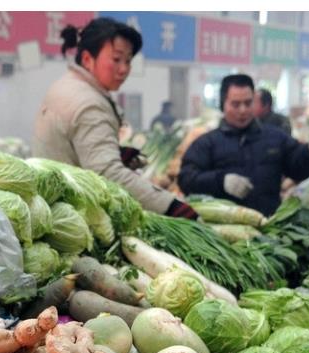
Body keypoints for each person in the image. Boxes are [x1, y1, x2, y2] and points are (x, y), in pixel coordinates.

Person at [33, 18, 198, 219]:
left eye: (128, 60)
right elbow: (108, 172)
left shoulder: (67, 85)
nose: (124, 69)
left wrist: (113, 152)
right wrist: (171, 207)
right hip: (74, 214)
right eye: (116, 59)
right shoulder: (88, 103)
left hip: (56, 204)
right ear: (87, 59)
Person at [177, 74, 309, 217]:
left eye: (248, 103)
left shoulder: (275, 137)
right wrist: (221, 181)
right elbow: (186, 179)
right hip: (223, 232)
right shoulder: (207, 143)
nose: (243, 110)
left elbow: (298, 169)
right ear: (223, 104)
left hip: (269, 226)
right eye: (236, 104)